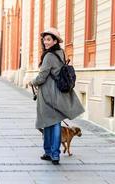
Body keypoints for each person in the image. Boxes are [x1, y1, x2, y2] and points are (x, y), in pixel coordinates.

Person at [28, 27, 84, 165]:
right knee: (54, 122)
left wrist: (32, 82)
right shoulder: (61, 53)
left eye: (48, 39)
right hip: (60, 94)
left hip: (48, 95)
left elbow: (42, 77)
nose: (45, 42)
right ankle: (53, 154)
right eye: (44, 39)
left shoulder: (48, 56)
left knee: (48, 123)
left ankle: (51, 153)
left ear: (55, 41)